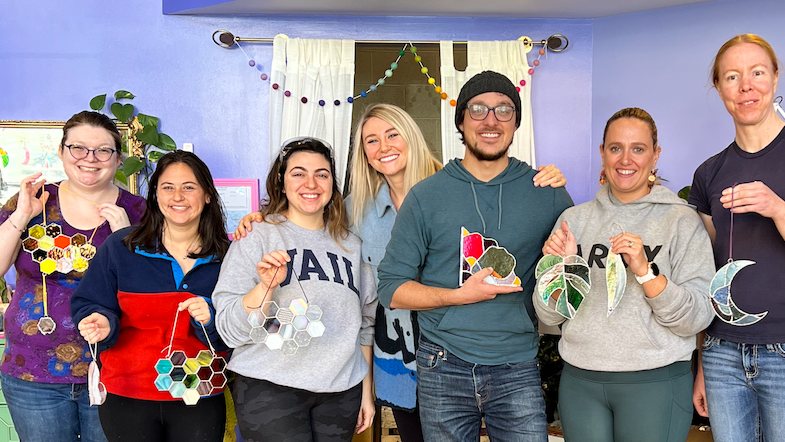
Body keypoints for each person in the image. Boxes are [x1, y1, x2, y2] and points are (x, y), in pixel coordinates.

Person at [232, 103, 567, 442]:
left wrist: (539, 181)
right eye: (371, 141)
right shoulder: (355, 210)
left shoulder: (456, 187)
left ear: (411, 137)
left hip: (467, 352)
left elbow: (514, 223)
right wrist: (263, 220)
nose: (384, 147)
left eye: (392, 134)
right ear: (363, 154)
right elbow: (311, 223)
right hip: (399, 357)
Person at [376, 71, 573, 442]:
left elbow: (571, 276)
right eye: (478, 109)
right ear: (461, 121)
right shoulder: (426, 196)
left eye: (504, 111)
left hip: (517, 364)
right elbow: (391, 288)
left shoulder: (547, 193)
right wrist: (456, 296)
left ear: (515, 123)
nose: (491, 120)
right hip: (442, 364)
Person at [537, 107, 715, 442]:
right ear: (602, 153)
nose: (625, 159)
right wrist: (561, 271)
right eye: (616, 148)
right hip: (581, 383)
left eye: (638, 148)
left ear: (655, 154)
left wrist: (647, 274)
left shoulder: (680, 221)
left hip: (654, 382)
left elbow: (698, 315)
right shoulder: (574, 219)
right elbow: (548, 316)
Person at [213, 137, 378, 442]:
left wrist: (366, 392)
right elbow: (229, 330)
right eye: (298, 173)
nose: (311, 183)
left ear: (332, 184)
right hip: (269, 387)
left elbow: (364, 326)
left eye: (322, 174)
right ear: (281, 183)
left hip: (341, 392)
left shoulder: (352, 245)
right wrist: (264, 287)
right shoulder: (257, 236)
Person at [0, 111, 146, 442]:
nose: (89, 159)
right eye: (78, 148)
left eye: (103, 150)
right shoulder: (33, 200)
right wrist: (22, 215)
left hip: (112, 368)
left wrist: (124, 235)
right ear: (62, 151)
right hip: (31, 369)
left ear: (118, 158)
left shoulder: (138, 212)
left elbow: (148, 289)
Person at [70, 150, 230, 441]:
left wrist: (210, 319)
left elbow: (237, 329)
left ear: (208, 195)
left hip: (200, 392)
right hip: (126, 394)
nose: (177, 197)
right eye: (167, 187)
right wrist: (102, 321)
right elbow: (89, 302)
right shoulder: (121, 246)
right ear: (155, 195)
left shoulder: (229, 257)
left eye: (189, 187)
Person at [690, 34, 785, 442]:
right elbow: (703, 274)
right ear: (719, 88)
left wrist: (778, 208)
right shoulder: (709, 173)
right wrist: (702, 366)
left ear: (776, 79)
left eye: (757, 73)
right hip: (721, 353)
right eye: (732, 76)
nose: (746, 86)